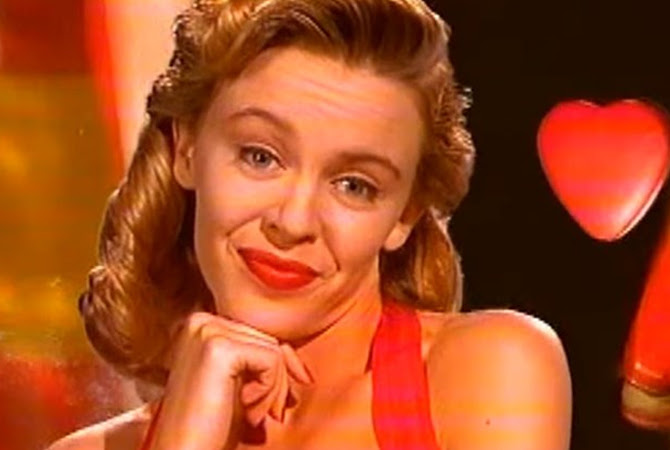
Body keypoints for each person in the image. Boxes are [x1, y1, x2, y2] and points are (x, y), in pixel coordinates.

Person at [49, 0, 572, 448]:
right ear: (186, 147)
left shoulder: (491, 372)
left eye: (354, 185)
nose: (293, 221)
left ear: (405, 215)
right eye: (259, 156)